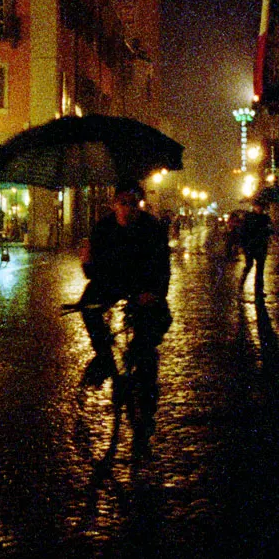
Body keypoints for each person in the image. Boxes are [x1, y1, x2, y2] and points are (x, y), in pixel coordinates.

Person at [77, 179, 173, 434]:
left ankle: (147, 401)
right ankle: (104, 358)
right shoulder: (103, 229)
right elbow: (93, 273)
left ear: (139, 205)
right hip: (111, 284)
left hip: (144, 288)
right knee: (88, 307)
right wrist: (86, 262)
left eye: (133, 204)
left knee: (146, 343)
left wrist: (153, 293)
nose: (128, 209)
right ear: (114, 205)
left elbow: (163, 267)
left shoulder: (152, 229)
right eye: (123, 204)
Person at [239, 197, 272, 296]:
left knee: (260, 269)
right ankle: (241, 283)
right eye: (258, 206)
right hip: (250, 246)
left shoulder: (265, 218)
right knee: (249, 265)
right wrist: (242, 245)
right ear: (254, 207)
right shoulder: (248, 217)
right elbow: (243, 232)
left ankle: (259, 290)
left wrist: (269, 231)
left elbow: (268, 231)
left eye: (261, 207)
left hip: (261, 246)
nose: (260, 208)